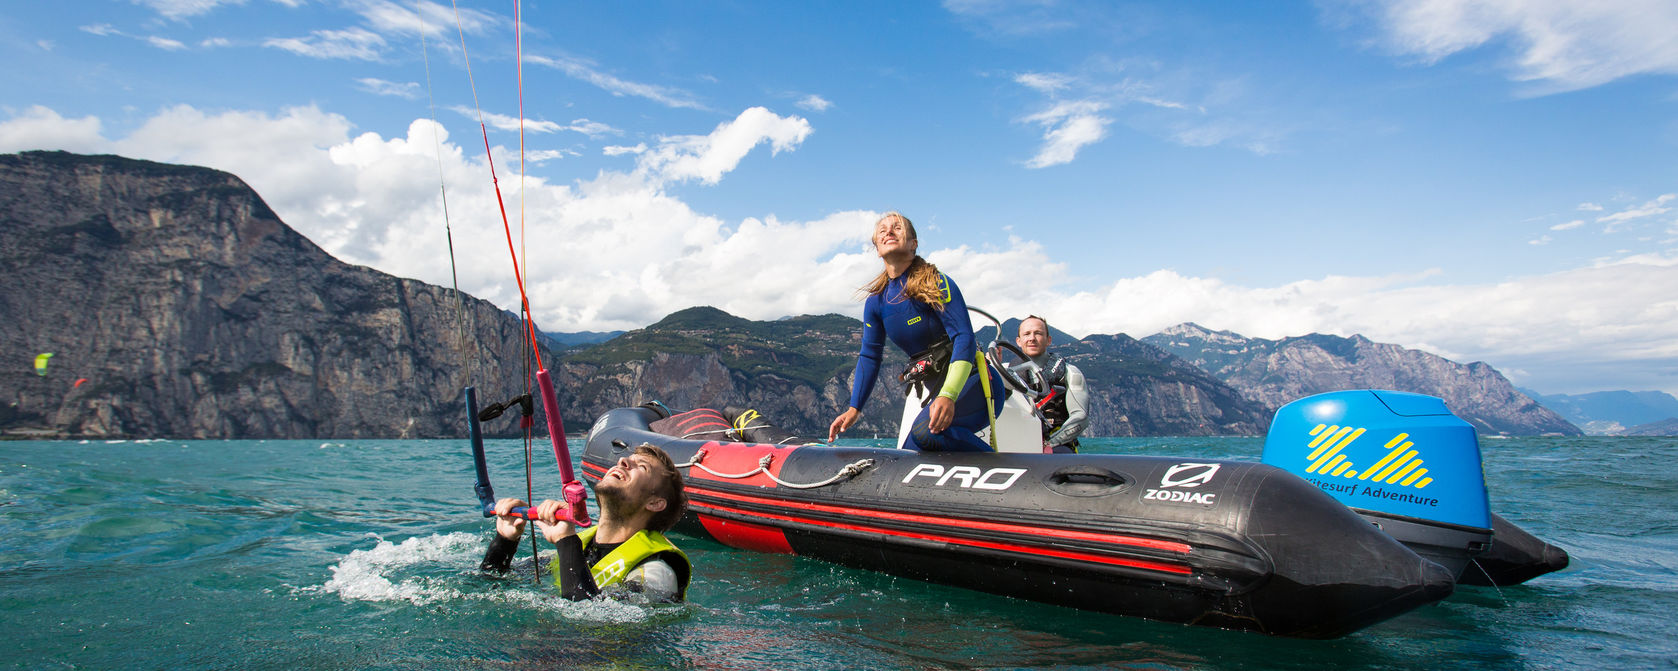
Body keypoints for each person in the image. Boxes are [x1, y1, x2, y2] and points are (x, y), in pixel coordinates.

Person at [828, 211, 1006, 452]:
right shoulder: (876, 303)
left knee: (924, 432)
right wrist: (854, 408)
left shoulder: (936, 282)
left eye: (897, 228)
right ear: (877, 248)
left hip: (974, 387)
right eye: (882, 230)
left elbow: (964, 337)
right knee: (907, 457)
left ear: (913, 244)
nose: (889, 232)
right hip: (940, 395)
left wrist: (949, 395)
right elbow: (870, 356)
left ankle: (1008, 470)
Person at [479, 443, 691, 602]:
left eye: (642, 467)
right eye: (625, 459)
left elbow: (593, 624)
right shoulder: (577, 547)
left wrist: (565, 541)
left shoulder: (657, 573)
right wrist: (505, 540)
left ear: (655, 503)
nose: (623, 462)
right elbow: (485, 585)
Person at [1013, 315, 1090, 453]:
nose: (1032, 338)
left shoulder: (1070, 372)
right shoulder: (1005, 372)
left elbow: (1080, 417)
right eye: (1026, 334)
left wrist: (1050, 444)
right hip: (1015, 442)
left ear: (1048, 340)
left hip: (1057, 446)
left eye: (1038, 333)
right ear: (1018, 341)